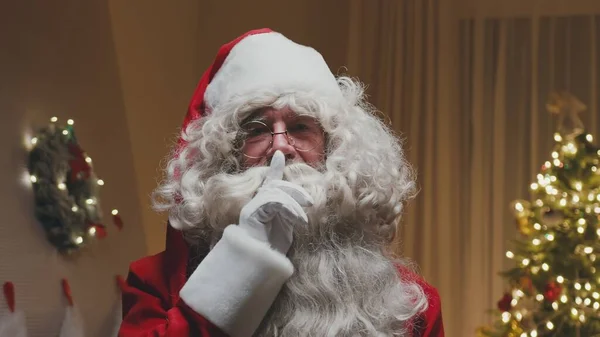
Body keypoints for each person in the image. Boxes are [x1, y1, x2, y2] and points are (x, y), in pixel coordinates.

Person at [119, 28, 445, 337]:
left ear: (335, 149)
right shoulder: (154, 285)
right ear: (224, 156)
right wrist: (242, 263)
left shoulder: (409, 304)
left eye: (301, 127)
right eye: (257, 129)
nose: (280, 146)